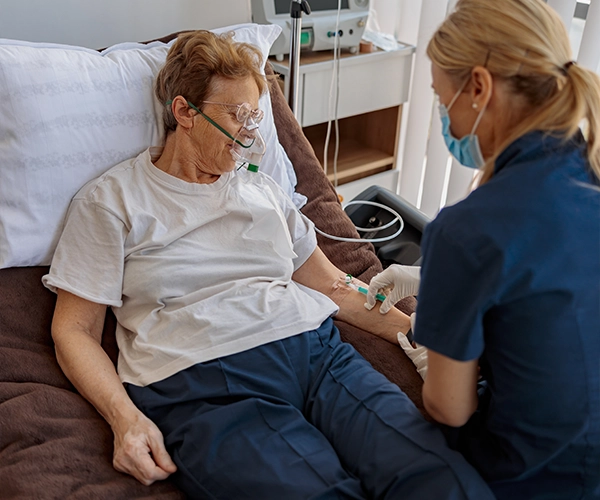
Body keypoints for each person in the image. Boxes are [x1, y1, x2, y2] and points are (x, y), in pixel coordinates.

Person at [42, 30, 493, 499]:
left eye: (255, 115)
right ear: (184, 113)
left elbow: (334, 287)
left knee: (437, 475)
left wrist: (418, 336)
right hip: (206, 383)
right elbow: (74, 330)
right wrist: (126, 419)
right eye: (237, 116)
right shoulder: (111, 201)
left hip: (318, 356)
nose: (250, 133)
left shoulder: (264, 190)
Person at [366, 0, 600, 498]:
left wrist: (435, 345)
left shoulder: (468, 230)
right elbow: (549, 284)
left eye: (440, 96)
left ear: (478, 87)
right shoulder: (590, 174)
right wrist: (437, 282)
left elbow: (449, 409)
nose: (444, 117)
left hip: (533, 478)